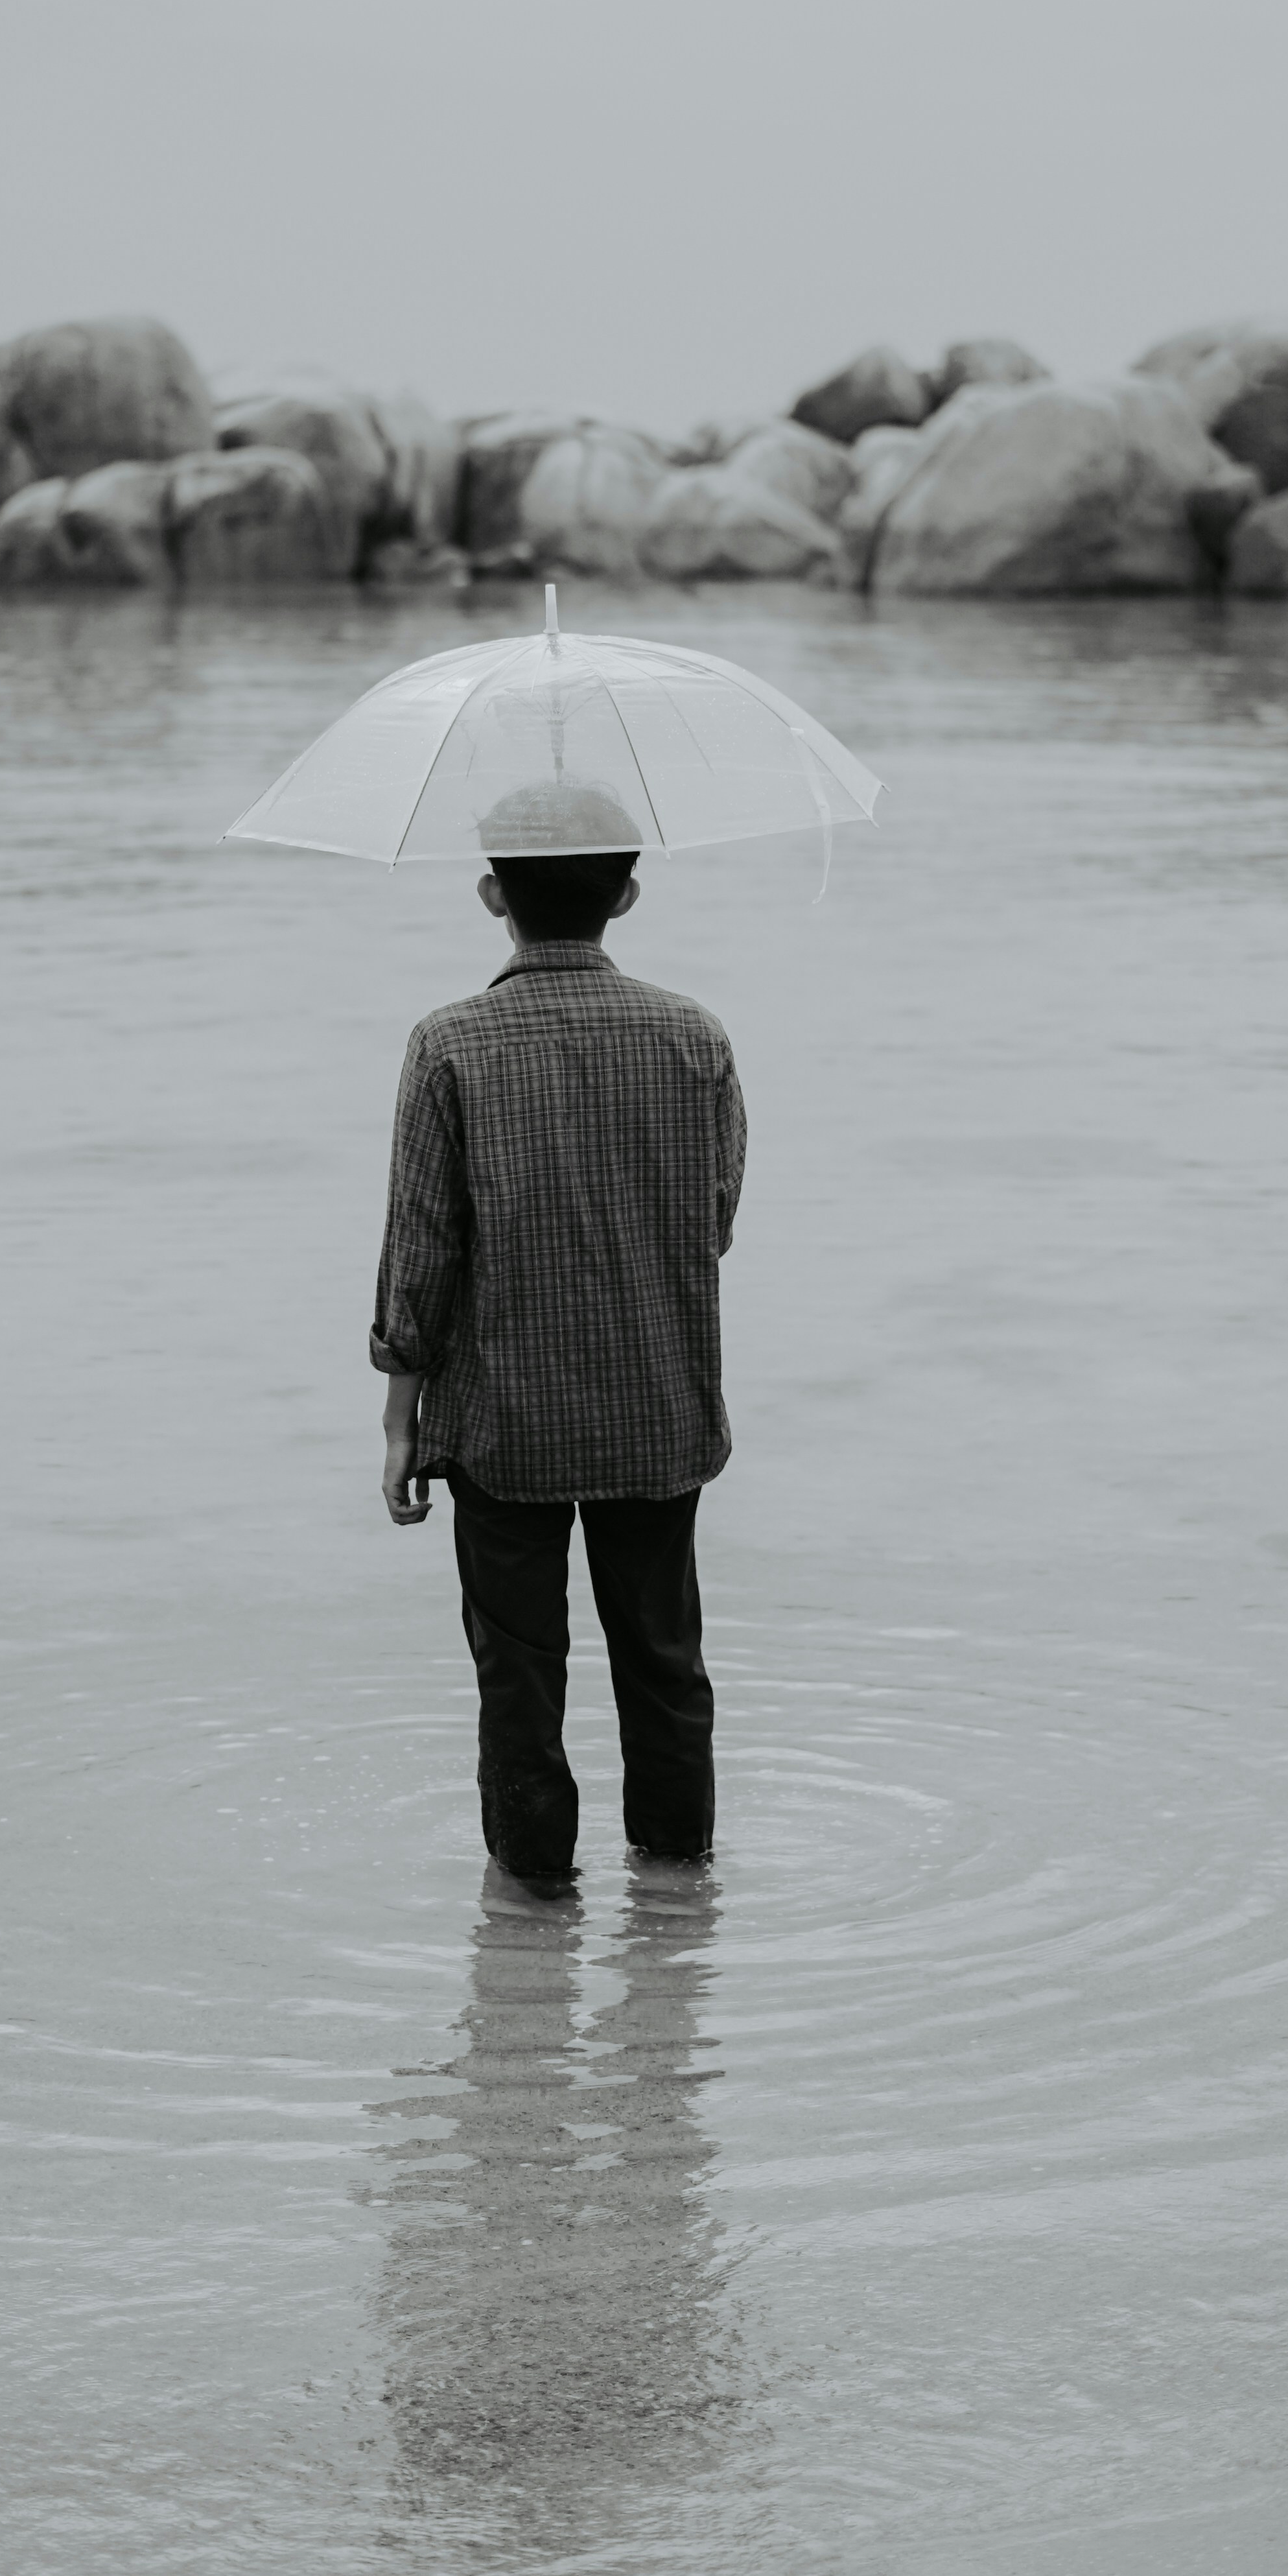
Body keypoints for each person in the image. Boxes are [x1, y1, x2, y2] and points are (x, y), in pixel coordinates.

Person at [370, 780, 747, 1889]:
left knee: (518, 1675)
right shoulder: (694, 1037)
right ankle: (677, 1903)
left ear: (492, 894)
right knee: (663, 1660)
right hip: (657, 1407)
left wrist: (401, 1420)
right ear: (626, 895)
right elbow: (709, 1225)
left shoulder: (448, 1045)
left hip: (502, 1422)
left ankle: (529, 1917)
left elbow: (422, 1250)